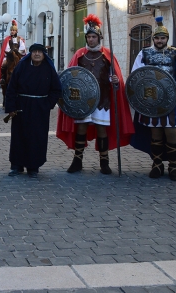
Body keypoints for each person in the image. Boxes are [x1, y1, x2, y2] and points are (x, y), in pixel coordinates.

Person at [56, 14, 134, 174]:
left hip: (102, 99)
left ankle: (104, 163)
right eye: (89, 37)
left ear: (99, 37)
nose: (91, 39)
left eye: (94, 36)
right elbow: (71, 77)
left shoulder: (107, 55)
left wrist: (115, 80)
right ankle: (77, 160)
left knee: (101, 129)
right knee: (81, 128)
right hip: (83, 100)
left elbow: (117, 78)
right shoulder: (79, 54)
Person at [129, 17, 176, 181]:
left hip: (170, 100)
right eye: (157, 38)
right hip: (150, 100)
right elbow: (136, 75)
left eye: (162, 38)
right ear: (153, 39)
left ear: (167, 39)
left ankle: (174, 166)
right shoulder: (144, 53)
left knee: (172, 133)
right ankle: (157, 164)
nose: (159, 41)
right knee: (155, 133)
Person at [5, 43, 61, 177]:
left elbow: (56, 89)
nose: (37, 54)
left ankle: (33, 166)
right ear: (30, 54)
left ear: (44, 55)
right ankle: (16, 165)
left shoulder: (49, 69)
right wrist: (11, 107)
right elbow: (11, 88)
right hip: (21, 106)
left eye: (40, 52)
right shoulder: (21, 67)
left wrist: (48, 104)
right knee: (19, 136)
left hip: (40, 108)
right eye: (34, 51)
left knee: (37, 137)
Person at [0, 20, 26, 87]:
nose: (12, 31)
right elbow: (6, 49)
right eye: (11, 30)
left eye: (13, 30)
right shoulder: (7, 39)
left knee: (25, 65)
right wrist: (10, 52)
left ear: (16, 31)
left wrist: (17, 51)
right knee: (4, 64)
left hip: (18, 56)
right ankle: (2, 78)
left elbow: (23, 49)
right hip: (9, 56)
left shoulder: (20, 39)